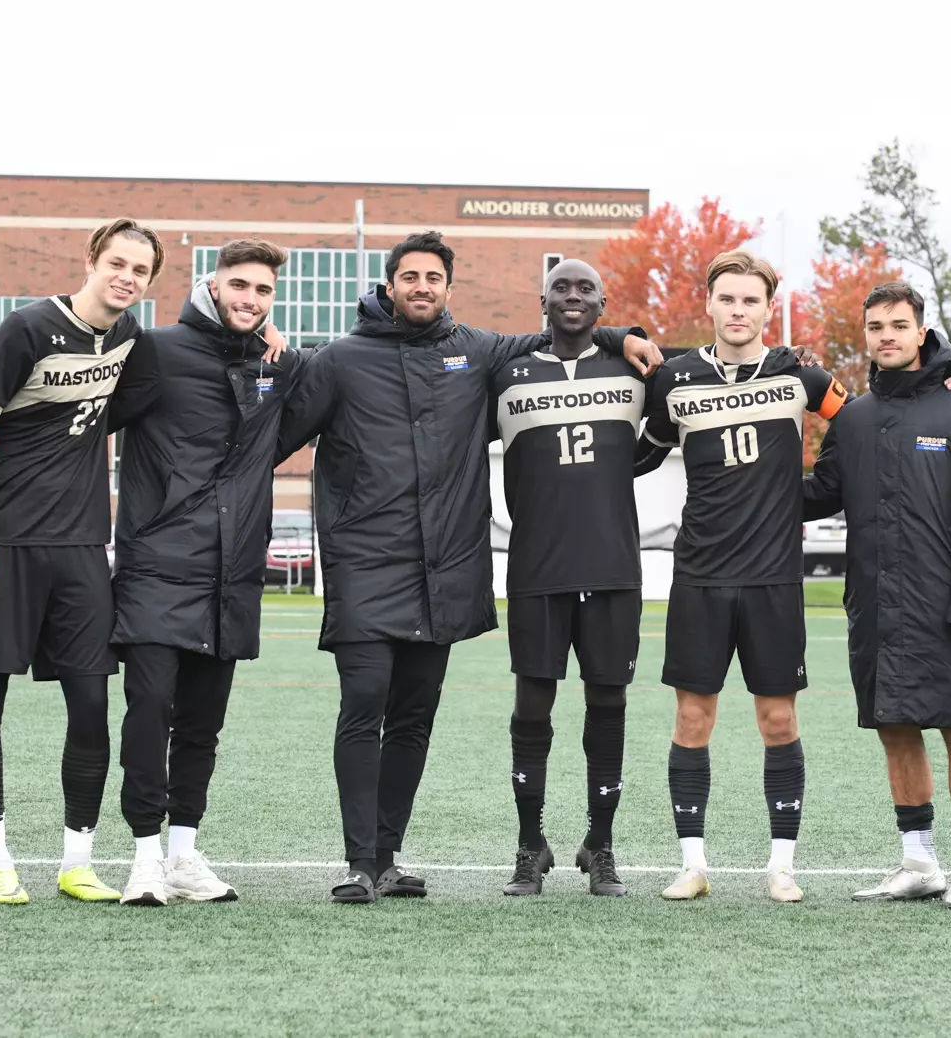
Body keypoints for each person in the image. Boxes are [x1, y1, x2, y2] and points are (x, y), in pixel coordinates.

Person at [275, 231, 661, 903]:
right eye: (410, 276)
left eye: (433, 277)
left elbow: (565, 330)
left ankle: (387, 859)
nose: (422, 287)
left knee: (416, 716)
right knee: (365, 702)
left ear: (448, 288)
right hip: (365, 564)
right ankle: (360, 861)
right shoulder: (339, 359)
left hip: (442, 570)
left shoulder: (477, 351)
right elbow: (276, 437)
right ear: (389, 284)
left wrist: (626, 333)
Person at [0, 221, 284, 906]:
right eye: (117, 263)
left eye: (140, 269)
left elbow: (146, 403)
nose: (126, 276)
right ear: (91, 260)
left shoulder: (134, 342)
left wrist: (265, 343)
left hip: (81, 547)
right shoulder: (27, 326)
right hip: (6, 544)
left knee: (93, 706)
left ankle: (77, 861)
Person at [635, 252, 951, 903]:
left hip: (773, 578)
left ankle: (781, 866)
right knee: (692, 718)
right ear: (709, 304)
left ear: (768, 308)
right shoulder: (672, 378)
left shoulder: (799, 375)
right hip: (700, 575)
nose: (738, 311)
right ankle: (692, 864)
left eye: (750, 301)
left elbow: (869, 418)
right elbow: (636, 454)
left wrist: (944, 385)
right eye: (727, 299)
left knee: (779, 721)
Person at [94, 240, 306, 906]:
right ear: (212, 286)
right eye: (239, 284)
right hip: (158, 566)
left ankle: (184, 854)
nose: (250, 298)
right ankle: (144, 856)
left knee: (202, 724)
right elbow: (82, 421)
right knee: (149, 709)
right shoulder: (154, 350)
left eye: (263, 291)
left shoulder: (279, 368)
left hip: (233, 573)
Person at [802, 280, 951, 910]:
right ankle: (919, 862)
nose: (886, 336)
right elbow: (819, 494)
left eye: (898, 325)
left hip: (947, 611)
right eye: (875, 327)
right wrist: (754, 465)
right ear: (864, 335)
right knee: (895, 731)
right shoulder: (857, 419)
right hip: (876, 608)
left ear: (921, 333)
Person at [492, 259, 645, 898]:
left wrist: (624, 336)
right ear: (544, 299)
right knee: (534, 704)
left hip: (612, 569)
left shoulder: (636, 373)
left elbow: (702, 366)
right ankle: (532, 845)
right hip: (536, 567)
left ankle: (600, 845)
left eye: (585, 289)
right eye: (562, 287)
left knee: (607, 704)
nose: (573, 296)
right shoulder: (505, 376)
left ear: (604, 303)